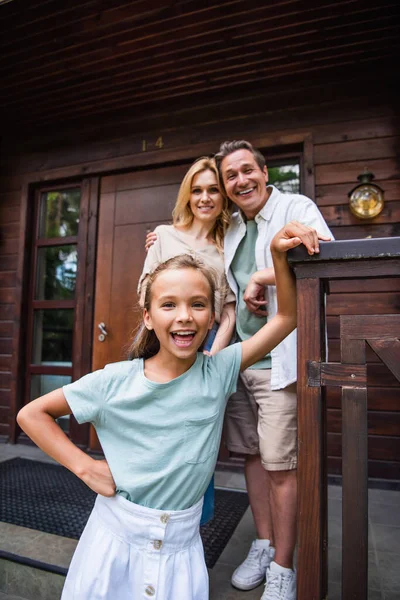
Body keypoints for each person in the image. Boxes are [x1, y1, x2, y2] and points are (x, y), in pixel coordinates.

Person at [16, 221, 327, 600]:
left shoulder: (219, 370)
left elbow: (286, 319)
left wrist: (278, 256)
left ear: (212, 317)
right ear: (148, 317)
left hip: (182, 549)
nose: (184, 316)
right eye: (168, 305)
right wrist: (86, 466)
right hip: (113, 543)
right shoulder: (113, 381)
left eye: (198, 304)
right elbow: (31, 414)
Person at [214, 140, 333, 600]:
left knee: (282, 464)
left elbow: (323, 253)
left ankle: (285, 565)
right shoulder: (229, 230)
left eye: (248, 170)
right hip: (239, 361)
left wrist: (264, 276)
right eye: (231, 176)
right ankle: (263, 545)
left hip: (279, 362)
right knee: (251, 455)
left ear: (266, 172)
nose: (241, 181)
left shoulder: (294, 206)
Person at [139, 156, 236, 526]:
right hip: (164, 342)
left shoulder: (228, 245)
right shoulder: (164, 236)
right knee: (160, 431)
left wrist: (213, 353)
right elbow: (145, 291)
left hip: (207, 343)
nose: (205, 198)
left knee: (198, 436)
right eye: (197, 190)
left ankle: (192, 526)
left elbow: (227, 310)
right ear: (187, 195)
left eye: (213, 190)